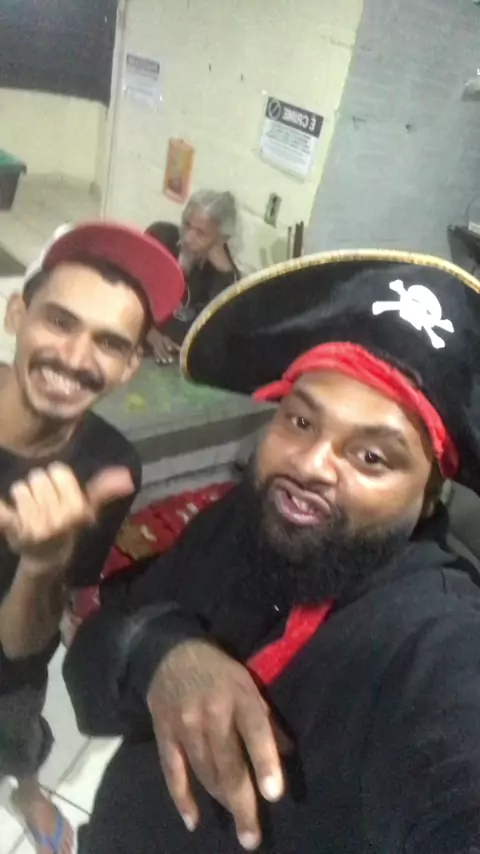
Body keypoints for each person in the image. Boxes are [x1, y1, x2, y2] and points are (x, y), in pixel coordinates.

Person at [64, 248, 480, 854]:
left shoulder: (438, 644)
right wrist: (161, 653)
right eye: (301, 422)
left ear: (429, 494)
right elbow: (93, 660)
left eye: (372, 457)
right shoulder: (244, 518)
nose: (311, 465)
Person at [0, 221, 183, 854]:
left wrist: (40, 564)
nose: (76, 359)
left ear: (131, 366)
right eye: (60, 321)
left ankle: (25, 786)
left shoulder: (109, 468)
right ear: (16, 314)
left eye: (109, 343)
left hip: (7, 669)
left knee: (16, 727)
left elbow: (22, 645)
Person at [145, 188, 240, 364]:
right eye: (187, 225)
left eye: (200, 233)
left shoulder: (224, 275)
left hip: (177, 364)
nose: (188, 238)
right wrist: (149, 333)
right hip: (140, 346)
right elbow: (126, 293)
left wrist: (225, 274)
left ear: (221, 239)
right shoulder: (161, 239)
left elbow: (219, 336)